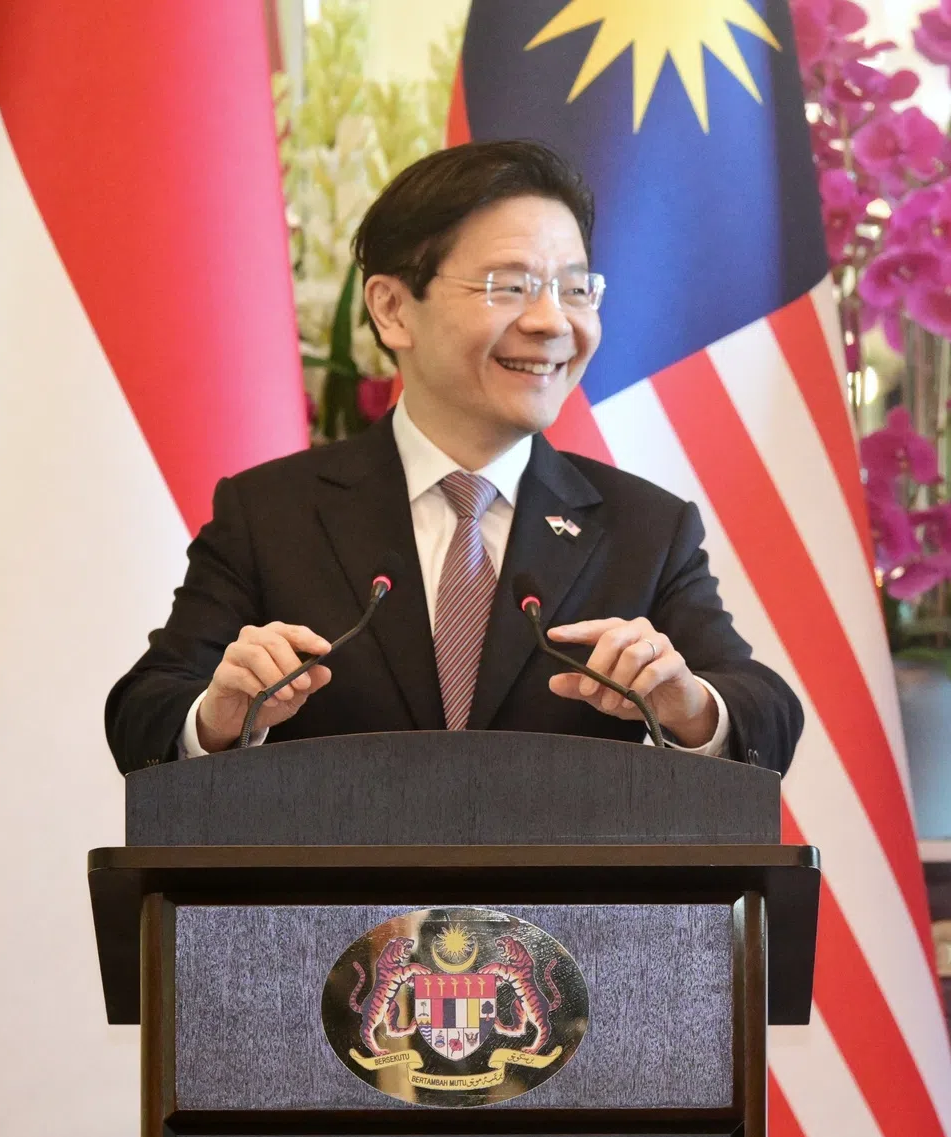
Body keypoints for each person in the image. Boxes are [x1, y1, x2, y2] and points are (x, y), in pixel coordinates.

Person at [105, 140, 802, 775]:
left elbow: (765, 715)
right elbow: (145, 714)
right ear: (393, 310)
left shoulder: (644, 528)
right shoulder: (272, 514)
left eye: (574, 289)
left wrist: (688, 706)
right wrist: (220, 717)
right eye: (510, 286)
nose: (551, 321)